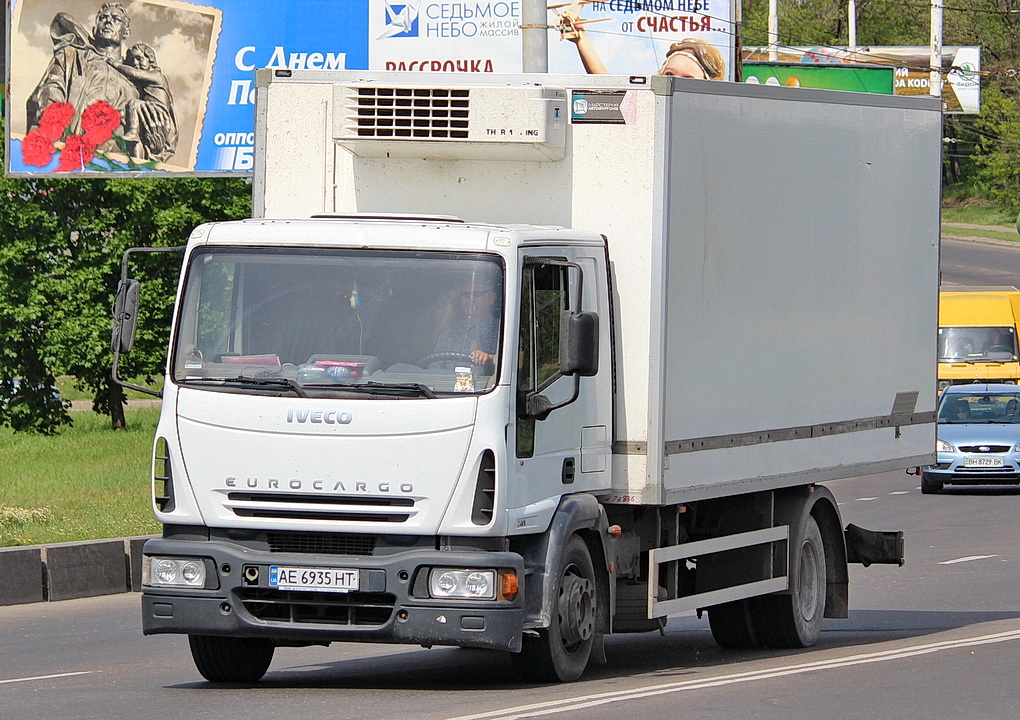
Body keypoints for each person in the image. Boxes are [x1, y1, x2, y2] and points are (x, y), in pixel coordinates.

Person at [27, 3, 139, 147]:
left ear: (126, 32)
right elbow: (51, 90)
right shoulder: (71, 56)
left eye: (116, 19)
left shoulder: (132, 86)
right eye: (103, 18)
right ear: (94, 29)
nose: (108, 21)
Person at [556, 7, 725, 80]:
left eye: (688, 78)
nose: (674, 82)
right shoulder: (651, 106)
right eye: (669, 75)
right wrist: (582, 40)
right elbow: (614, 89)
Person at [106, 43, 178, 161]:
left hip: (158, 111)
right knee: (137, 140)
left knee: (134, 104)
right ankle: (138, 162)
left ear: (151, 60)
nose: (135, 63)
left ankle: (133, 131)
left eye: (139, 58)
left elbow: (134, 73)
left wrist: (117, 65)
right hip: (147, 111)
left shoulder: (157, 75)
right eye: (132, 59)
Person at [432, 277, 501, 368]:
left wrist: (490, 358)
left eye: (476, 294)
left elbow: (518, 363)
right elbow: (434, 368)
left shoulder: (503, 331)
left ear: (492, 298)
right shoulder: (450, 333)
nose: (470, 299)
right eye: (466, 295)